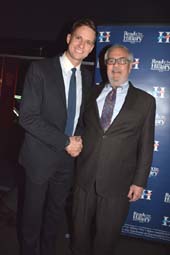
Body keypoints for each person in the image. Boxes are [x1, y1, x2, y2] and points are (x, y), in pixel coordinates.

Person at [17, 18, 97, 255]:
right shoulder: (40, 70)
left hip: (66, 162)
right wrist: (65, 142)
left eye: (89, 42)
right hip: (39, 158)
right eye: (79, 38)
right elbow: (27, 117)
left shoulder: (86, 77)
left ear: (92, 48)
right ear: (69, 38)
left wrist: (78, 140)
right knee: (32, 219)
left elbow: (79, 118)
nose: (82, 45)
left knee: (54, 216)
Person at [72, 44, 156, 255]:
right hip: (84, 179)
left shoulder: (146, 102)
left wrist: (139, 181)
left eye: (121, 61)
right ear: (105, 65)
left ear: (130, 66)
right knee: (78, 235)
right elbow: (82, 126)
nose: (116, 66)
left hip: (118, 185)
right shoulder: (91, 93)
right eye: (111, 61)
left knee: (106, 241)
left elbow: (146, 144)